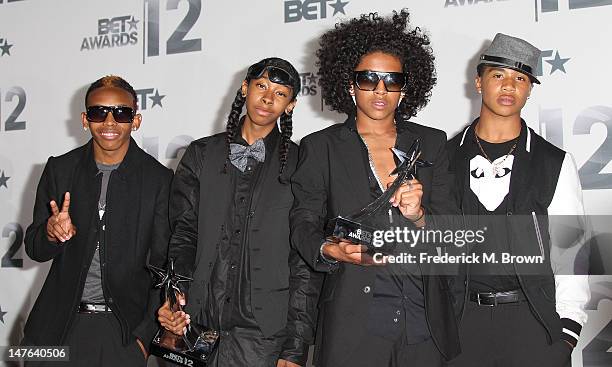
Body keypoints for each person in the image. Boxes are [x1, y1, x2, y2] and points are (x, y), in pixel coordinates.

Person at [289, 10, 460, 367]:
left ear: (405, 88)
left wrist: (420, 216)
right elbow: (302, 223)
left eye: (391, 80)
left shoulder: (432, 142)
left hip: (422, 318)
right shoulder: (320, 147)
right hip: (354, 321)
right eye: (368, 79)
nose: (380, 90)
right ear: (350, 84)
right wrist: (329, 250)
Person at [157, 57, 320, 367]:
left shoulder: (302, 164)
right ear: (245, 88)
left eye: (280, 93)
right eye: (261, 86)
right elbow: (183, 234)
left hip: (264, 336)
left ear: (291, 105)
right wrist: (172, 299)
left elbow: (304, 263)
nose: (268, 98)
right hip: (196, 323)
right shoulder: (201, 155)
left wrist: (295, 346)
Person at [446, 33, 590, 367]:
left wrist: (567, 333)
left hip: (534, 325)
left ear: (529, 89)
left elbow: (571, 252)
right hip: (460, 326)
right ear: (479, 82)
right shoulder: (444, 157)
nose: (509, 86)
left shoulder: (554, 161)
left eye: (520, 78)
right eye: (498, 75)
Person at [22, 75, 173, 366]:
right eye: (98, 112)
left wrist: (142, 340)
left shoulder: (159, 180)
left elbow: (162, 267)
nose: (109, 121)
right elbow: (34, 248)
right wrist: (51, 234)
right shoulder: (59, 168)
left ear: (136, 120)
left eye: (121, 113)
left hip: (121, 333)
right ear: (84, 119)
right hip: (51, 329)